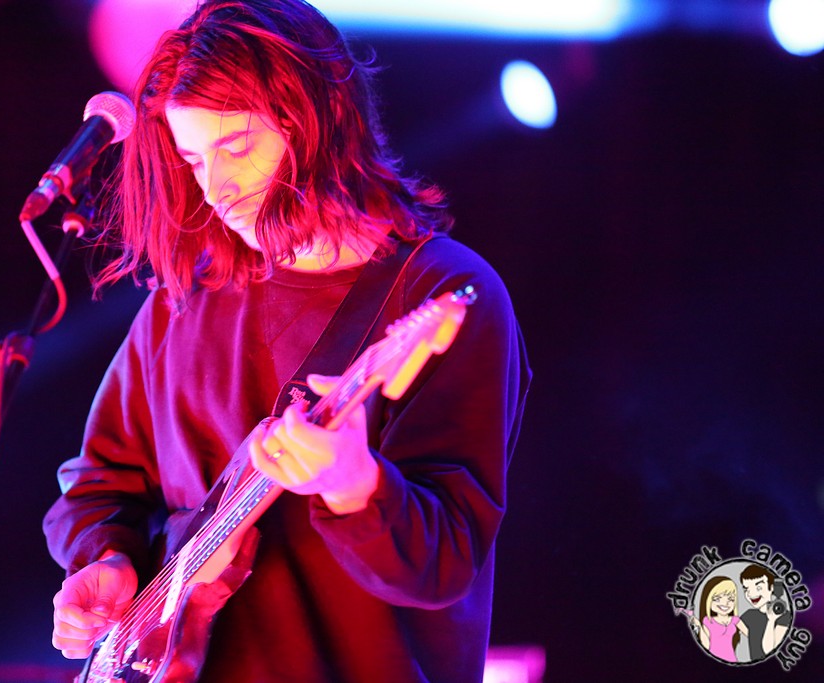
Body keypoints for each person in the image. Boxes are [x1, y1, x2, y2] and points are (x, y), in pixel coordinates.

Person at [43, 1, 531, 681]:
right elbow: (98, 482)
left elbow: (444, 562)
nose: (216, 188)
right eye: (194, 160)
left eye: (237, 148)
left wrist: (355, 485)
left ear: (314, 123)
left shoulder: (439, 292)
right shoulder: (185, 299)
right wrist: (108, 558)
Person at [739, 565, 792, 661]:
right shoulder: (749, 615)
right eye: (746, 589)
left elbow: (768, 651)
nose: (751, 593)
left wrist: (771, 620)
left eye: (758, 588)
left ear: (771, 587)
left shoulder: (784, 616)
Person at [689, 576, 748, 662]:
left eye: (731, 599)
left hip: (732, 660)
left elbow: (751, 635)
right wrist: (699, 626)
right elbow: (706, 645)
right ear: (708, 600)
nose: (725, 603)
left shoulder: (735, 620)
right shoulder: (708, 621)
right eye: (717, 599)